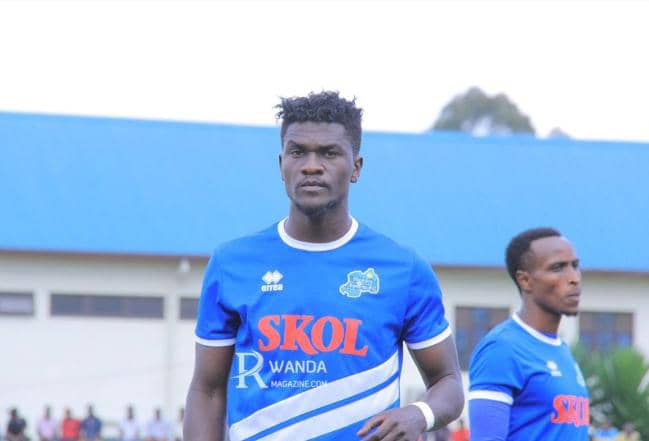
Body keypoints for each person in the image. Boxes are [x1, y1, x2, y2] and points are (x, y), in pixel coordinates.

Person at [184, 91, 464, 441]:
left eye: (329, 153)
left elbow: (448, 382)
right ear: (281, 164)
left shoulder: (403, 270)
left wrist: (419, 413)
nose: (312, 165)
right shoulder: (232, 264)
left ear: (356, 168)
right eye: (297, 152)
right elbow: (207, 390)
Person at [468, 227, 590, 440]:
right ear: (525, 280)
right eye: (558, 267)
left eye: (575, 266)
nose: (574, 278)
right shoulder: (502, 348)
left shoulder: (561, 350)